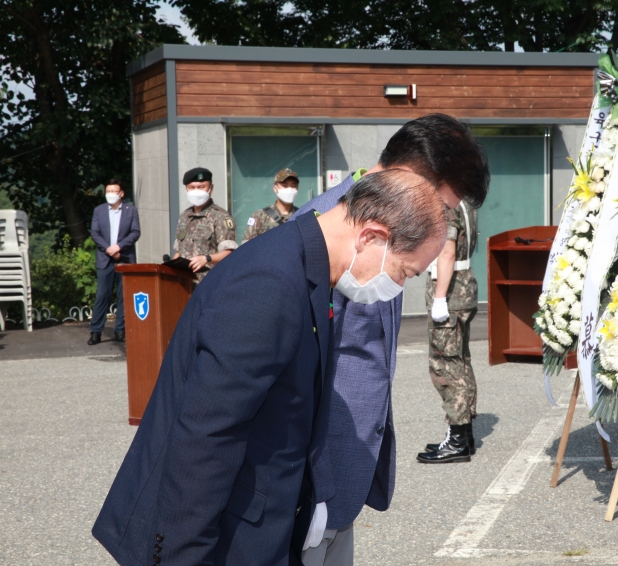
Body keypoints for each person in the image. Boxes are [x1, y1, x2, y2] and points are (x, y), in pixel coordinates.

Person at [91, 170, 447, 566]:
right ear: (372, 237)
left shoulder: (310, 268)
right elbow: (205, 438)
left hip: (262, 524)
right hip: (218, 539)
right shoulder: (270, 283)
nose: (396, 287)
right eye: (404, 272)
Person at [295, 113, 489, 566]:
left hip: (347, 470)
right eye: (439, 205)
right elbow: (297, 376)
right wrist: (313, 485)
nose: (439, 222)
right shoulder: (326, 230)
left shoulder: (396, 221)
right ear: (410, 177)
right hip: (311, 478)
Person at [418, 199, 479, 463]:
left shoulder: (445, 205)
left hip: (451, 289)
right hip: (464, 286)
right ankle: (464, 435)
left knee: (445, 365)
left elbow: (447, 252)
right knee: (461, 363)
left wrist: (440, 297)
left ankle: (456, 441)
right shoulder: (466, 201)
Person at [88, 178, 140, 345]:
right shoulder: (99, 210)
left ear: (121, 193)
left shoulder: (130, 210)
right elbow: (95, 233)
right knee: (102, 295)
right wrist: (109, 249)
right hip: (105, 259)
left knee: (124, 296)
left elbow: (135, 232)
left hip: (125, 258)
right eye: (108, 191)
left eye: (113, 191)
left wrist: (118, 247)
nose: (110, 195)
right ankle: (96, 331)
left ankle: (120, 330)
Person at [172, 167, 238, 280]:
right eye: (192, 187)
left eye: (201, 187)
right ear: (186, 189)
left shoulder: (221, 216)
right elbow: (179, 251)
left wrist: (206, 258)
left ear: (211, 188)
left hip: (209, 281)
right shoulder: (184, 215)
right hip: (183, 282)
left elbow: (230, 253)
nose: (196, 191)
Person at [242, 168, 300, 243]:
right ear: (275, 188)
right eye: (284, 185)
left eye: (293, 186)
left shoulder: (301, 215)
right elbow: (246, 247)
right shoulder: (259, 216)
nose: (290, 189)